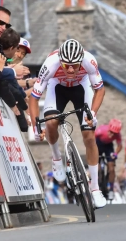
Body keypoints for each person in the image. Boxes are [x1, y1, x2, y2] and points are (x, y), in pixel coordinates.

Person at [29, 39, 106, 208]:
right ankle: (56, 157)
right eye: (66, 66)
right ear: (60, 61)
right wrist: (36, 126)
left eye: (75, 66)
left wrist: (92, 113)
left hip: (82, 87)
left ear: (81, 61)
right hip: (57, 88)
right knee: (50, 122)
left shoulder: (89, 61)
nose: (70, 69)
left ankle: (95, 188)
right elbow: (33, 98)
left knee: (89, 136)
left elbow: (100, 89)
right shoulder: (51, 63)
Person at [95, 118, 123, 200]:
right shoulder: (101, 130)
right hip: (98, 145)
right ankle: (97, 186)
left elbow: (120, 146)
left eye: (114, 134)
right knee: (97, 167)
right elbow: (91, 140)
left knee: (111, 168)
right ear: (109, 128)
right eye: (111, 132)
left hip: (108, 147)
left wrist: (115, 153)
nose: (112, 135)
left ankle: (111, 190)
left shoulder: (118, 135)